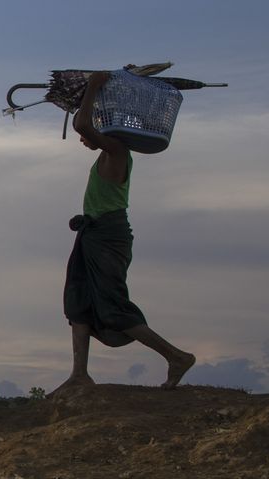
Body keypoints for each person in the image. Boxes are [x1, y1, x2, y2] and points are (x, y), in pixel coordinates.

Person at [56, 71, 195, 396]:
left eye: (91, 130)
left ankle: (176, 357)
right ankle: (79, 374)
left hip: (108, 237)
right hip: (93, 234)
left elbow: (82, 125)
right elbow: (83, 126)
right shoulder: (108, 153)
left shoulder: (117, 150)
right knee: (80, 300)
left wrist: (93, 85)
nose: (81, 139)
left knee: (112, 306)